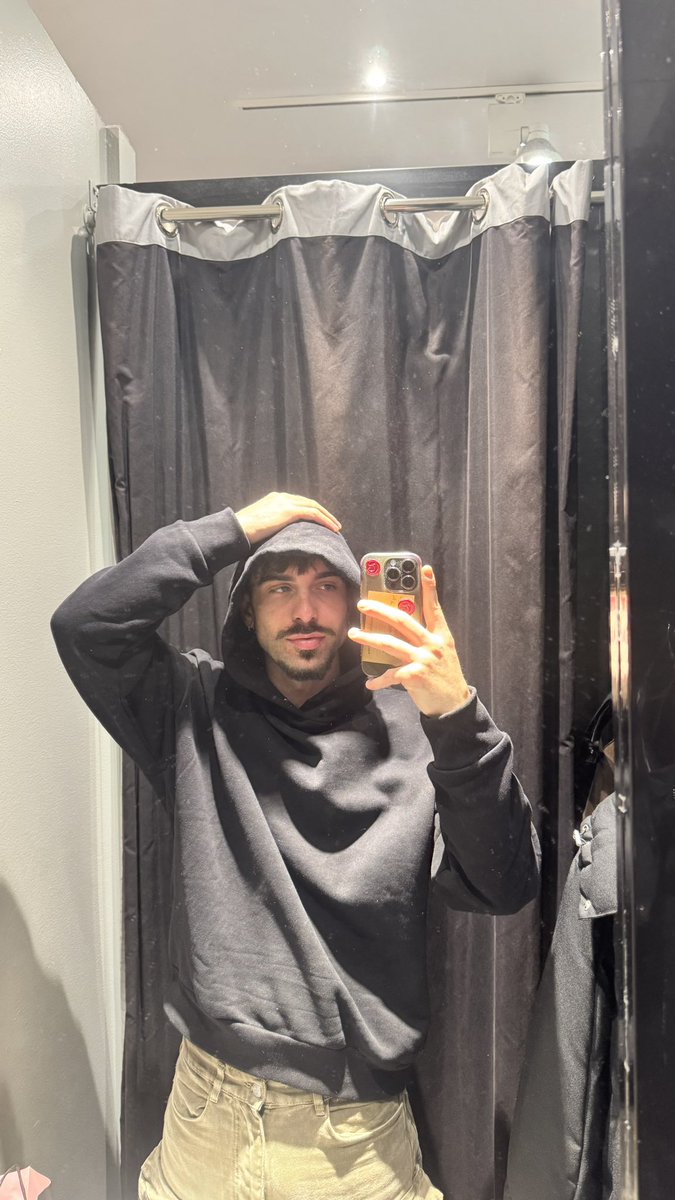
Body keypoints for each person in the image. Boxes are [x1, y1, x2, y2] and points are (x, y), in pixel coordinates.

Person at [51, 491, 540, 1200]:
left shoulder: (418, 730)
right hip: (205, 1114)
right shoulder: (193, 708)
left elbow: (505, 884)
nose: (304, 611)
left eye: (325, 586)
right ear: (247, 611)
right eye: (279, 587)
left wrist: (457, 716)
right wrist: (234, 529)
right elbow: (85, 626)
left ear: (356, 603)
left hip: (353, 1141)